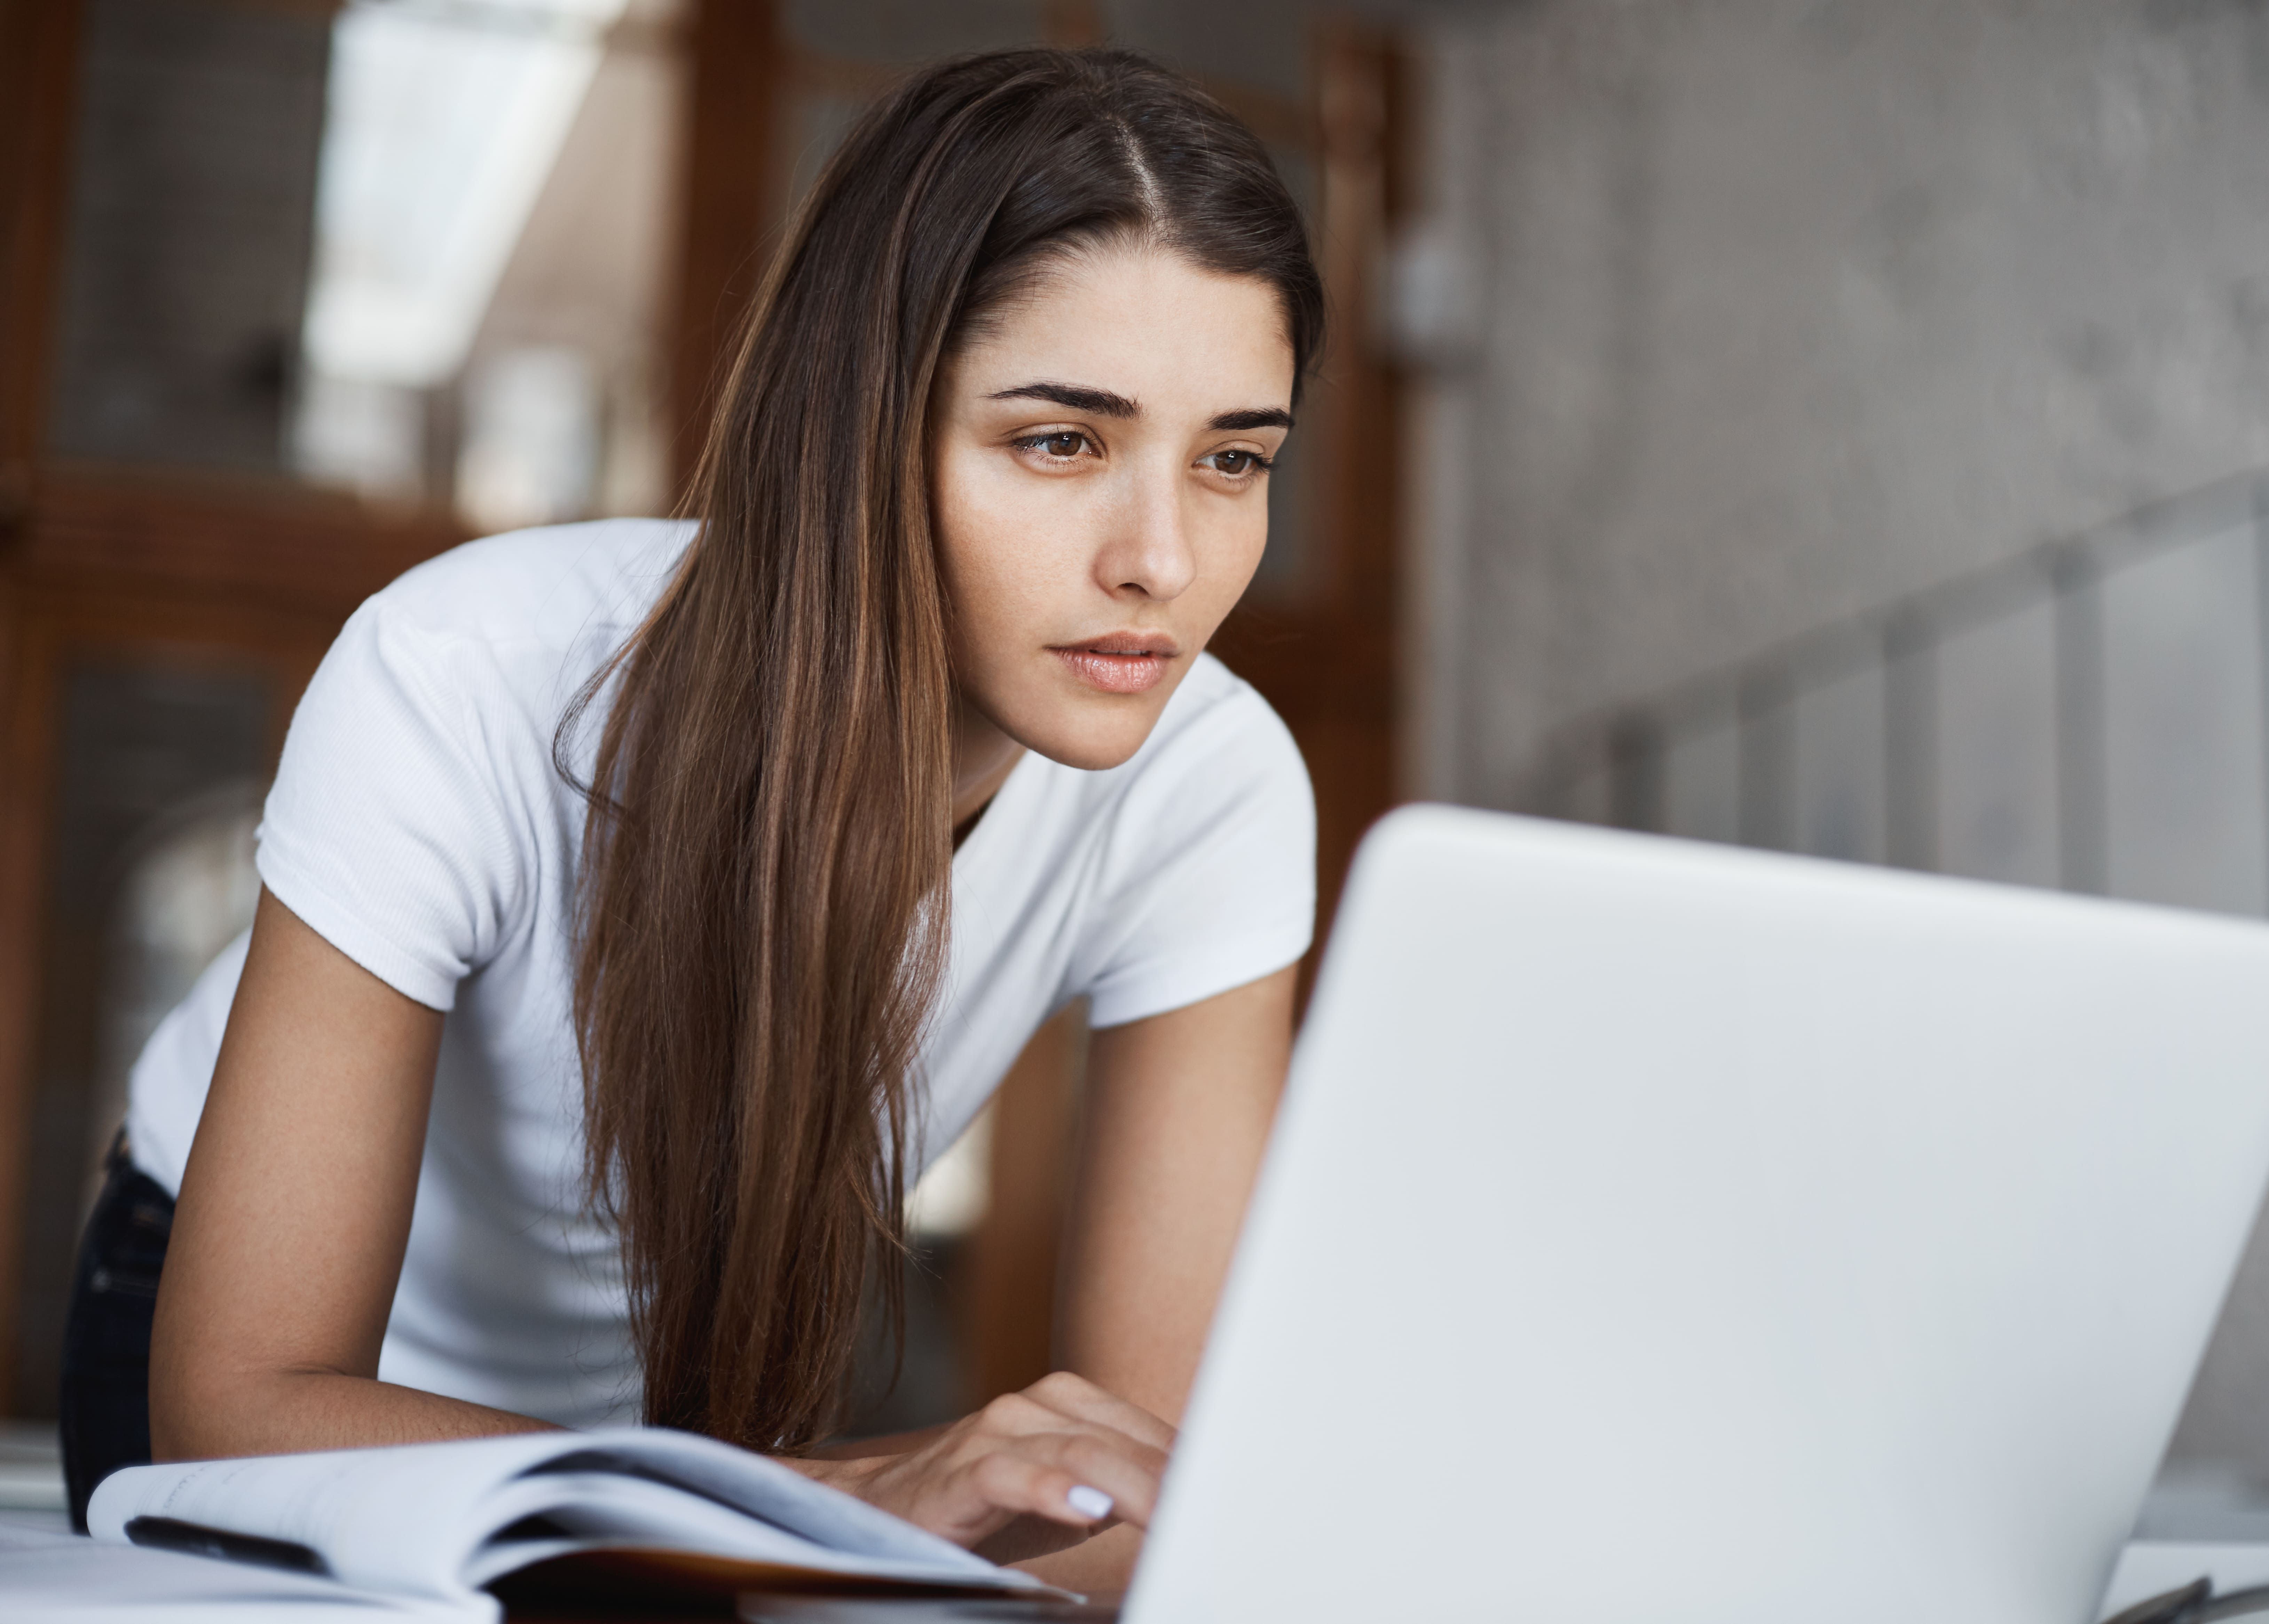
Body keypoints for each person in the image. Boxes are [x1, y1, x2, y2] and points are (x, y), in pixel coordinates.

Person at [58, 46, 1323, 1594]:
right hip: (291, 1392)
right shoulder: (463, 674)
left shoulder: (1214, 785)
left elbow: (1134, 1500)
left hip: (655, 1426)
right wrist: (855, 1497)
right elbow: (242, 1411)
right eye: (1058, 442)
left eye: (1233, 460)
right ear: (860, 431)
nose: (1162, 560)